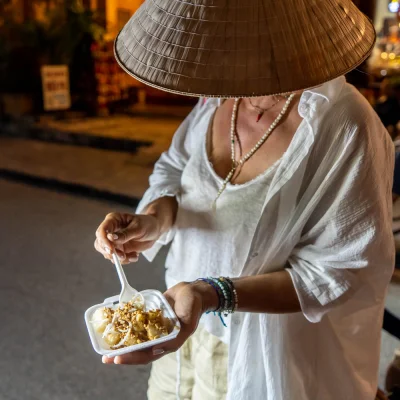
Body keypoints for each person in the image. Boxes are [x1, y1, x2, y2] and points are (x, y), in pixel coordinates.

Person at [94, 1, 395, 399]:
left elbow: (341, 272)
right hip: (177, 328)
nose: (222, 62)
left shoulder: (342, 122)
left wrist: (211, 293)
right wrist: (152, 220)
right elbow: (174, 171)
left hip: (258, 351)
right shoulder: (218, 98)